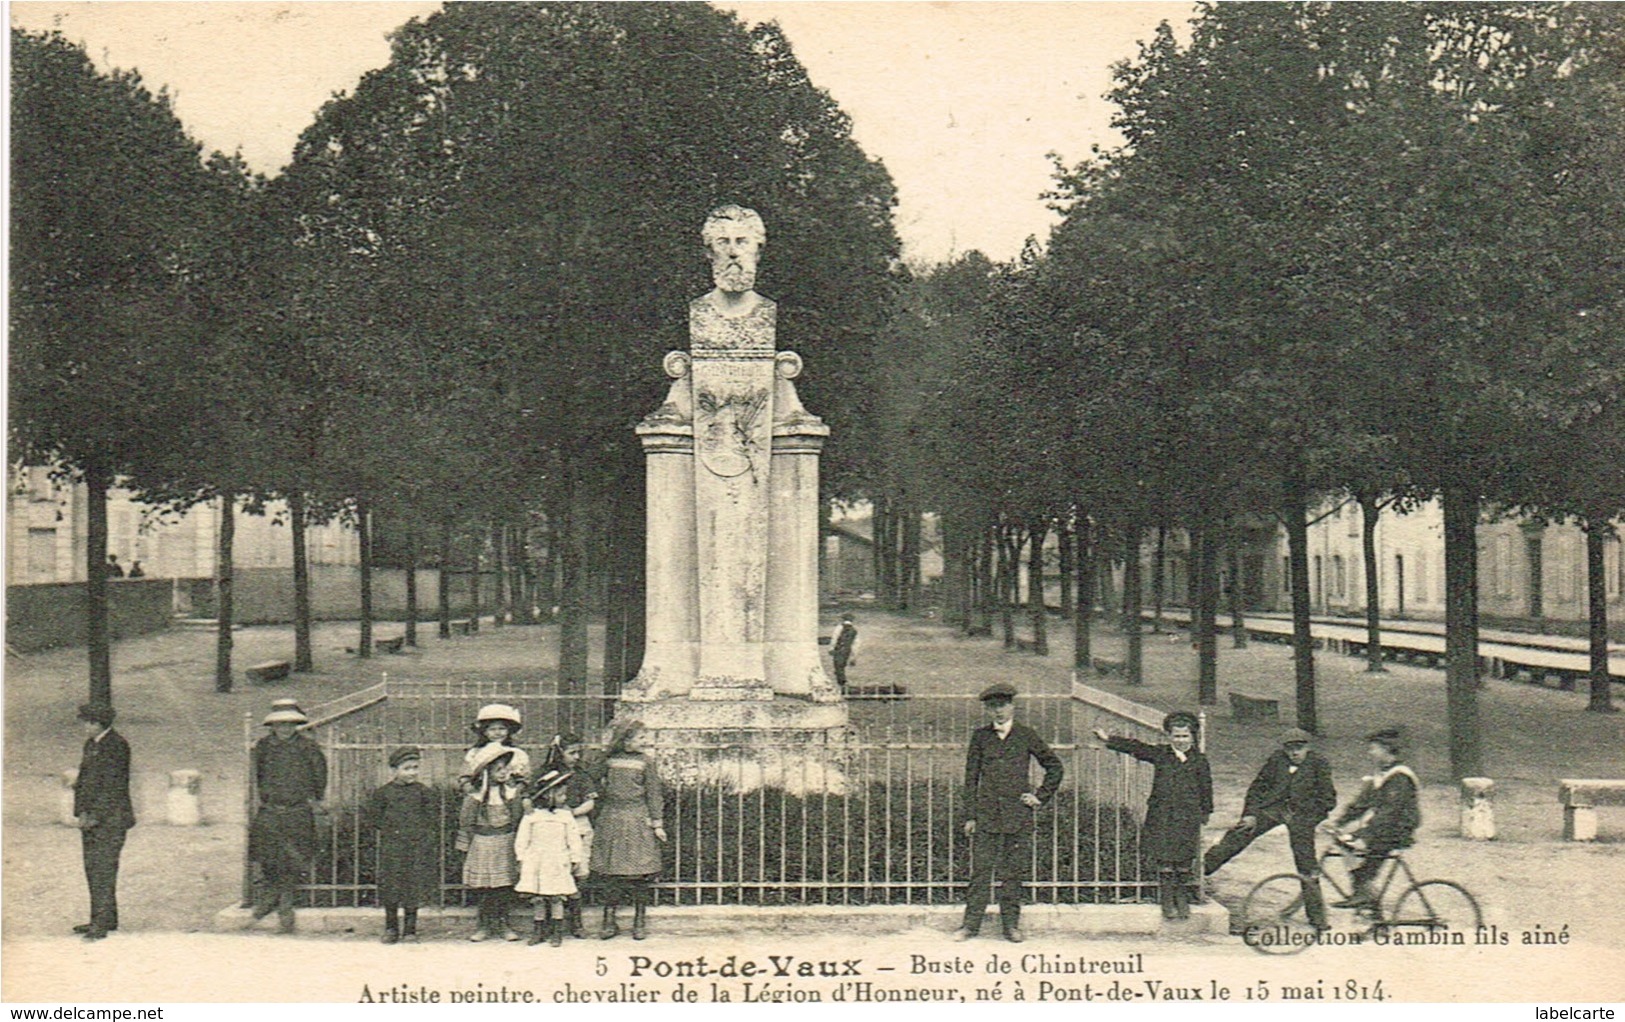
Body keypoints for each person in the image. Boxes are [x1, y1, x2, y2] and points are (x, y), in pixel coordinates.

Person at [956, 683, 1064, 943]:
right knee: (981, 872)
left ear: (1012, 706)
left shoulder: (1026, 735)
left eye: (1002, 705)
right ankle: (970, 927)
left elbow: (1054, 766)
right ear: (987, 709)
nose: (998, 712)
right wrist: (970, 815)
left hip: (1017, 816)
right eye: (992, 707)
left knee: (1012, 873)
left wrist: (1039, 797)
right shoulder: (981, 737)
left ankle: (1011, 927)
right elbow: (970, 778)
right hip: (987, 816)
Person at [1203, 727, 1337, 929]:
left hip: (1301, 816)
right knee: (1239, 833)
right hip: (1272, 810)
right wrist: (1250, 814)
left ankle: (1317, 917)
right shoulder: (1277, 760)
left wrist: (1307, 819)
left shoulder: (1319, 763)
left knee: (1306, 862)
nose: (1294, 753)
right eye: (1289, 749)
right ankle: (1199, 873)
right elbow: (1257, 788)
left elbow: (1328, 800)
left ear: (1308, 747)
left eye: (1299, 748)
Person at [1094, 712, 1213, 921]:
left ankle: (1181, 898)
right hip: (1163, 814)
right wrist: (1109, 739)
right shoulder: (1161, 754)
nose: (1180, 741)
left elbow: (1206, 787)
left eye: (1185, 736)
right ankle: (1167, 900)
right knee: (1165, 858)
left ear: (1193, 737)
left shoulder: (1200, 760)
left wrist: (1206, 811)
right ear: (1169, 737)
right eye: (1176, 736)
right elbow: (1137, 748)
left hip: (1187, 815)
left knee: (1184, 859)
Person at [247, 702, 327, 933]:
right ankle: (270, 896)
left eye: (289, 724)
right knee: (268, 855)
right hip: (271, 808)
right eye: (280, 724)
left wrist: (315, 797)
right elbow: (259, 774)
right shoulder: (263, 747)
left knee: (293, 858)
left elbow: (319, 774)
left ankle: (286, 904)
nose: (284, 728)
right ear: (272, 725)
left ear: (296, 725)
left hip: (297, 808)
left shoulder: (308, 747)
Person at [1326, 727, 1420, 910]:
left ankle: (1363, 894)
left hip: (1397, 829)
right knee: (1345, 843)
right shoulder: (1381, 774)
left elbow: (1390, 812)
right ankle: (1366, 898)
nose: (1370, 752)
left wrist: (1364, 834)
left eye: (1373, 748)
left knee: (1354, 847)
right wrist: (1337, 822)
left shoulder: (1400, 776)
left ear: (1386, 749)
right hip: (1383, 828)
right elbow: (1361, 804)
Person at [590, 722, 666, 941]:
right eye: (640, 737)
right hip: (612, 817)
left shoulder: (646, 762)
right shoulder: (609, 760)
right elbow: (592, 779)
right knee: (611, 872)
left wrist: (657, 823)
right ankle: (608, 919)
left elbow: (653, 793)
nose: (644, 741)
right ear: (625, 739)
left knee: (639, 873)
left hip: (637, 818)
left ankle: (639, 920)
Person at [364, 746, 439, 944]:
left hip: (416, 847)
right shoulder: (383, 793)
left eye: (415, 767)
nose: (412, 772)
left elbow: (431, 819)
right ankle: (390, 928)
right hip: (392, 847)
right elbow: (374, 819)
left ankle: (410, 930)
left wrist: (421, 838)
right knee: (391, 887)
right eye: (406, 768)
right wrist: (392, 832)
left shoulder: (424, 792)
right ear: (395, 770)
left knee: (412, 887)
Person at [73, 701, 134, 941]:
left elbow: (113, 785)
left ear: (99, 723)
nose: (85, 727)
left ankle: (101, 922)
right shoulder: (92, 744)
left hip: (110, 818)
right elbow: (84, 779)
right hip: (92, 817)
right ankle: (104, 917)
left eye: (88, 722)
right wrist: (81, 811)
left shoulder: (117, 745)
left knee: (103, 868)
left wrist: (95, 814)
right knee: (93, 867)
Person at [456, 743, 526, 942]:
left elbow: (517, 818)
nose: (504, 772)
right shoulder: (476, 796)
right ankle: (484, 925)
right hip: (483, 844)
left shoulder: (511, 794)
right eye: (498, 769)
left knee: (504, 887)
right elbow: (466, 821)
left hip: (505, 843)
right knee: (485, 888)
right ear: (486, 772)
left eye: (505, 768)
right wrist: (470, 844)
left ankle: (504, 924)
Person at [515, 769, 588, 947]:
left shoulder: (565, 816)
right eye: (561, 794)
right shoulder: (532, 816)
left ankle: (557, 931)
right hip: (536, 862)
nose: (565, 798)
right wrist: (521, 858)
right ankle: (538, 930)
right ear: (548, 795)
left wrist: (575, 858)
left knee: (556, 897)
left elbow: (573, 839)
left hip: (557, 861)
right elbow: (522, 839)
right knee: (538, 897)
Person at [542, 732, 599, 939]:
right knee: (552, 871)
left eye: (578, 753)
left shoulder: (582, 775)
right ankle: (548, 921)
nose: (576, 757)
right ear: (559, 753)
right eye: (571, 753)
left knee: (578, 873)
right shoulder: (547, 774)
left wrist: (572, 812)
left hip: (577, 824)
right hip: (552, 826)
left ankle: (576, 921)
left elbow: (590, 802)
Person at [829, 613, 860, 691]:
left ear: (842, 619)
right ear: (852, 620)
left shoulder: (839, 628)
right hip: (847, 651)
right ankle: (842, 683)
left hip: (838, 649)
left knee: (838, 667)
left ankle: (842, 683)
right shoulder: (854, 630)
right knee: (842, 666)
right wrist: (854, 657)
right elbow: (856, 644)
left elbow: (834, 638)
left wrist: (831, 648)